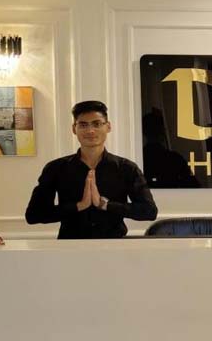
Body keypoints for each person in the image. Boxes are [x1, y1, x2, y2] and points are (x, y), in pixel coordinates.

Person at [26, 100, 158, 238]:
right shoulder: (55, 168)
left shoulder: (127, 168)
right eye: (83, 125)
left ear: (108, 127)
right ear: (74, 129)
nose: (90, 131)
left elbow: (149, 211)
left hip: (114, 245)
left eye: (97, 124)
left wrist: (106, 205)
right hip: (70, 245)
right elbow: (33, 215)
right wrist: (79, 206)